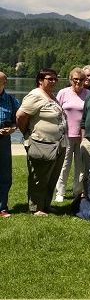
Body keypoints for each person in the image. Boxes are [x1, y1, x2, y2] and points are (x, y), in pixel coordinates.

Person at [16, 68, 67, 216]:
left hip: (57, 144)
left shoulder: (50, 95)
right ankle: (36, 208)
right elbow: (20, 116)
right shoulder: (35, 95)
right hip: (41, 144)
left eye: (55, 79)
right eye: (49, 79)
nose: (53, 81)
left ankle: (45, 204)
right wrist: (27, 133)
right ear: (40, 80)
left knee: (51, 177)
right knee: (39, 177)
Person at [54, 67, 90, 202]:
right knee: (64, 164)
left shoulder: (88, 94)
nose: (78, 82)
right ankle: (60, 192)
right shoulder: (63, 93)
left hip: (82, 135)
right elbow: (56, 111)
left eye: (81, 79)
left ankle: (77, 191)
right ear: (70, 80)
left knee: (80, 166)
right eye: (75, 79)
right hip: (66, 135)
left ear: (84, 80)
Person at [0, 72, 20, 218]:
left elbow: (17, 120)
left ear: (5, 82)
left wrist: (12, 128)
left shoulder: (11, 100)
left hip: (4, 140)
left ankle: (2, 207)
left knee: (5, 174)